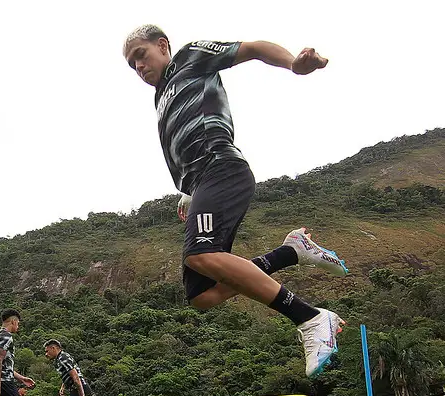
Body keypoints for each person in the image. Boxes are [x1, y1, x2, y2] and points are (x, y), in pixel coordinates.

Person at [122, 26, 348, 377]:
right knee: (202, 295)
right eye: (131, 65)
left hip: (221, 167)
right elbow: (186, 141)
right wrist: (189, 192)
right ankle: (291, 252)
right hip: (202, 181)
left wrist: (293, 64)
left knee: (200, 254)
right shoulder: (160, 96)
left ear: (162, 45)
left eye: (141, 55)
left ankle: (312, 318)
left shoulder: (190, 57)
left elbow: (254, 47)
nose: (138, 67)